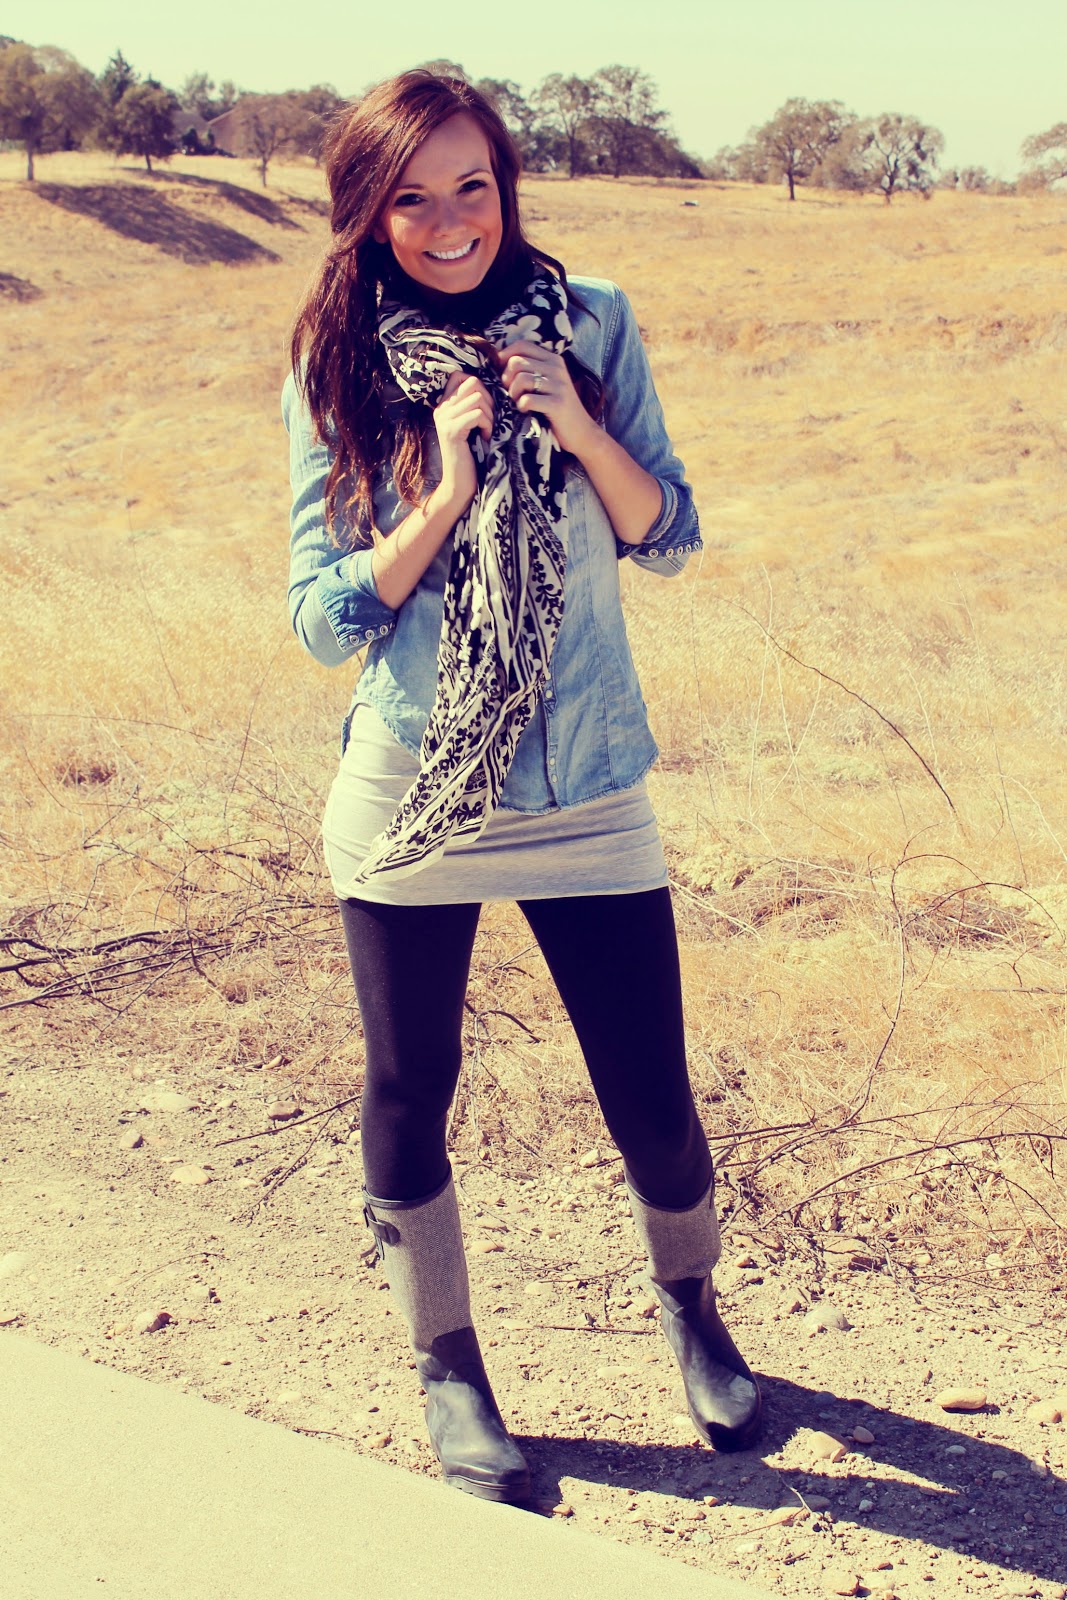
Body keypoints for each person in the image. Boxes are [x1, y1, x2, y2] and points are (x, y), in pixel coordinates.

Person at [284, 69, 761, 1504]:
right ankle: (448, 1363)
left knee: (651, 1094)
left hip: (587, 785)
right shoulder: (337, 365)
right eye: (411, 199)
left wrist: (579, 421)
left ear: (507, 186)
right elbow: (321, 621)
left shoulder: (593, 320)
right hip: (415, 786)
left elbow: (668, 533)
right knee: (409, 1086)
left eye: (472, 187)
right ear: (368, 215)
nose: (450, 223)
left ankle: (693, 1311)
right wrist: (441, 496)